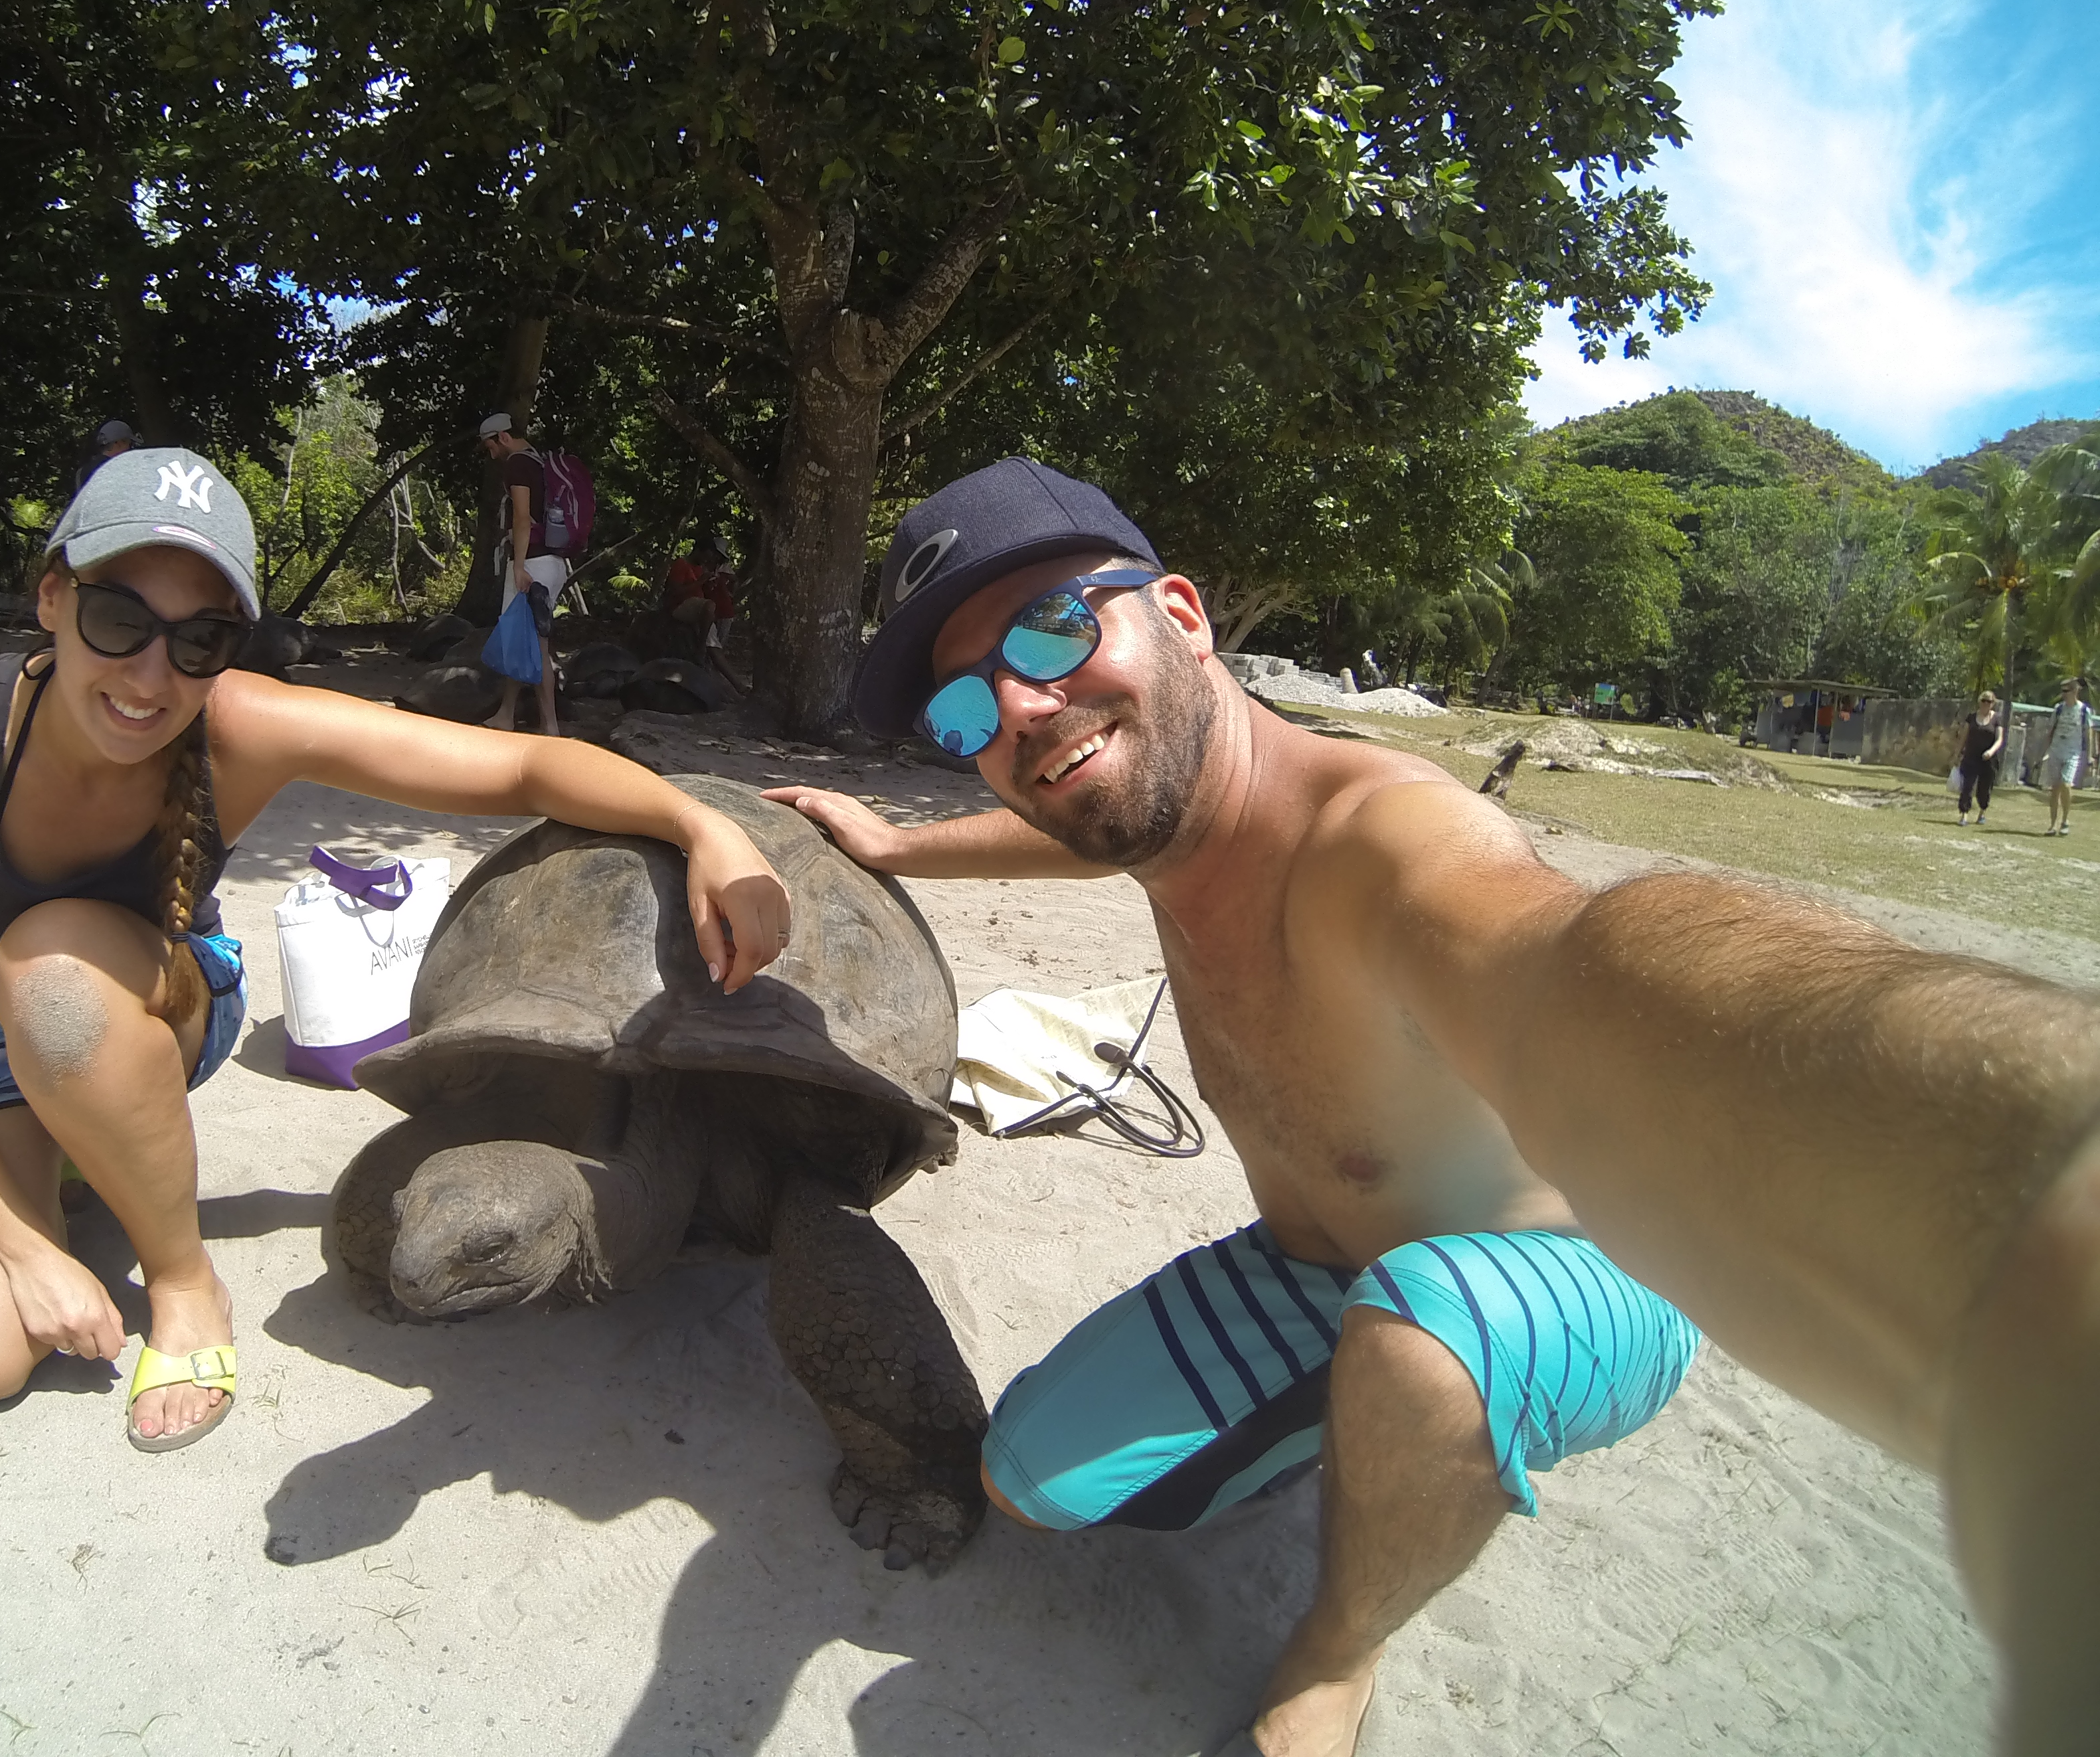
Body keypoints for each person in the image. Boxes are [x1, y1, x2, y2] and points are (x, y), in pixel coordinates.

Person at [766, 458, 2100, 1757]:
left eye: (1053, 631)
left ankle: (1336, 1654)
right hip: (1322, 1266)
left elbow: (1577, 975)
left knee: (1423, 1342)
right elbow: (1072, 810)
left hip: (1576, 1270)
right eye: (962, 712)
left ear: (1179, 618)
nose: (1019, 711)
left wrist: (2028, 1168)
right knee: (1029, 1478)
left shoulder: (1383, 843)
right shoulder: (1169, 816)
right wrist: (895, 843)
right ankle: (1358, 1416)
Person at [0, 448, 790, 1456]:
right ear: (51, 598)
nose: (151, 675)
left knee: (52, 969)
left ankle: (183, 1281)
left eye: (200, 639)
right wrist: (25, 1249)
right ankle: (63, 1149)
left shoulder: (242, 728)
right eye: (119, 619)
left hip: (141, 1002)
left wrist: (701, 826)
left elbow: (518, 765)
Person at [476, 410, 574, 736]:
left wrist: (518, 566)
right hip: (553, 561)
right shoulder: (541, 462)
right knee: (522, 639)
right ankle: (506, 714)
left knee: (538, 645)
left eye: (491, 446)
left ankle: (551, 726)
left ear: (503, 437)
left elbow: (522, 517)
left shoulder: (518, 464)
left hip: (533, 562)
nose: (492, 455)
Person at [661, 534, 744, 692]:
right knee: (709, 607)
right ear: (699, 551)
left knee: (716, 648)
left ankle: (736, 686)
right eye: (707, 555)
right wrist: (700, 582)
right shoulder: (681, 564)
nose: (708, 560)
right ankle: (700, 646)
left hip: (698, 609)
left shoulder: (699, 569)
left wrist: (709, 584)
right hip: (681, 607)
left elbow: (702, 591)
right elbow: (673, 592)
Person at [2044, 675, 2089, 836]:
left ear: (2075, 691)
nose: (2064, 693)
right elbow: (2050, 731)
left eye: (2067, 690)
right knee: (2055, 788)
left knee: (2066, 784)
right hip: (2056, 750)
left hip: (2073, 752)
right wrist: (2046, 751)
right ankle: (2053, 825)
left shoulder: (2084, 711)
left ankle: (2066, 820)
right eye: (2062, 691)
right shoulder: (2059, 709)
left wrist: (2089, 757)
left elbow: (2087, 734)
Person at [1958, 690, 2005, 826]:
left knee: (1984, 789)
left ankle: (1982, 812)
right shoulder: (1971, 717)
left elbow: (2000, 739)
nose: (1986, 704)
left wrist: (1991, 751)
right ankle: (1964, 815)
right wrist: (1957, 754)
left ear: (1993, 703)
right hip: (1971, 757)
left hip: (1988, 760)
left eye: (1989, 701)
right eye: (1984, 700)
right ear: (1980, 702)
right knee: (1967, 786)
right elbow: (1964, 737)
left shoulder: (1997, 719)